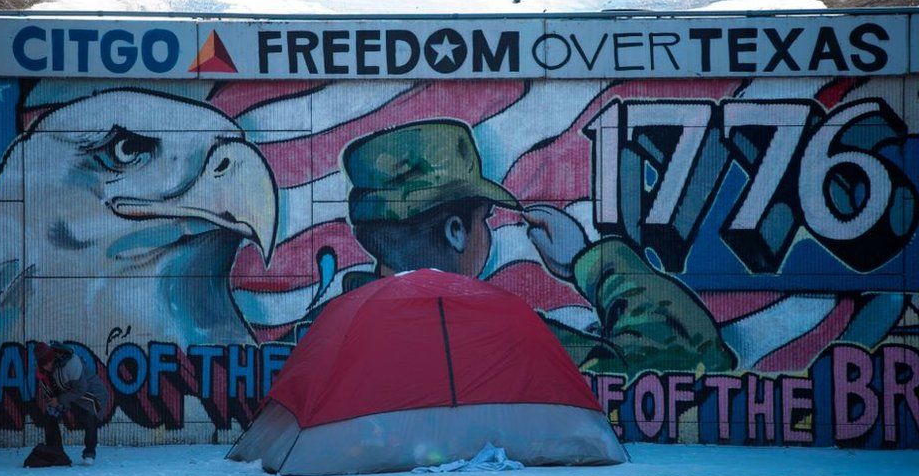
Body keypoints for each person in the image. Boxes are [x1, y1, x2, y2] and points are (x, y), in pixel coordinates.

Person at [293, 118, 733, 379]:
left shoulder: (324, 333)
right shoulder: (510, 337)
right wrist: (590, 262)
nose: (487, 233)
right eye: (483, 219)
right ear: (455, 232)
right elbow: (684, 367)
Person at [34, 341, 107, 465]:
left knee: (89, 417)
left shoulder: (71, 363)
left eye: (48, 363)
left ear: (54, 358)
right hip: (67, 393)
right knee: (50, 416)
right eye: (43, 365)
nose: (47, 367)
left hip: (91, 394)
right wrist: (54, 403)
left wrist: (60, 400)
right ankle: (55, 452)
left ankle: (89, 453)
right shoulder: (42, 372)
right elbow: (49, 393)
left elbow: (81, 389)